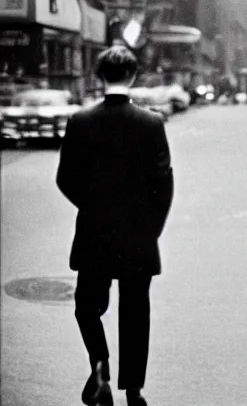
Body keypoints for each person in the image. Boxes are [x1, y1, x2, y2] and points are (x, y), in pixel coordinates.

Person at [56, 46, 174, 406]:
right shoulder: (151, 123)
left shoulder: (80, 122)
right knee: (136, 312)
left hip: (95, 234)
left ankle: (100, 365)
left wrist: (94, 208)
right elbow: (163, 184)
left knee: (86, 307)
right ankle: (134, 390)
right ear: (134, 76)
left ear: (99, 76)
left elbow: (65, 179)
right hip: (138, 237)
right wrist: (150, 227)